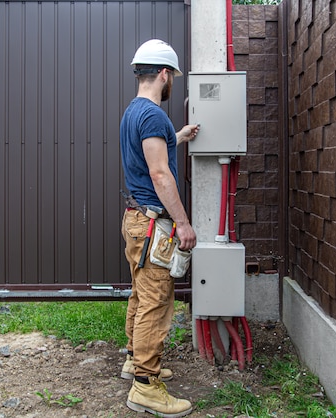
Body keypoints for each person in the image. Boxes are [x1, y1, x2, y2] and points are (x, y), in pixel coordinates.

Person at [119, 39, 199, 417]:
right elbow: (159, 172)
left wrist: (178, 136)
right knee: (156, 300)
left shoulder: (134, 113)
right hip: (153, 223)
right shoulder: (152, 116)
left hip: (136, 219)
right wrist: (182, 222)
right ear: (164, 74)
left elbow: (152, 152)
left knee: (141, 292)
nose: (172, 85)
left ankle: (135, 360)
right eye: (173, 78)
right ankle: (146, 387)